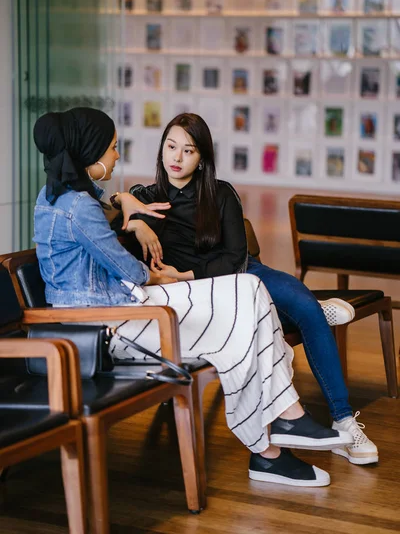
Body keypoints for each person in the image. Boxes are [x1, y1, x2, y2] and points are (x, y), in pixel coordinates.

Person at [33, 107, 354, 490]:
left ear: (202, 158)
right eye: (114, 148)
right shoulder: (78, 206)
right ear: (91, 151)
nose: (117, 156)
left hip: (124, 307)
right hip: (106, 324)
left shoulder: (63, 194)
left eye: (188, 150)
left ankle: (284, 424)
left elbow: (102, 212)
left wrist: (125, 206)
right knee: (245, 319)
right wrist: (141, 233)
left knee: (250, 289)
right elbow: (132, 271)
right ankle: (271, 446)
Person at [119, 112, 378, 467]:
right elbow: (104, 205)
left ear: (202, 157)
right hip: (205, 295)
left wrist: (186, 275)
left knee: (306, 308)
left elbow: (234, 258)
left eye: (188, 150)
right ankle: (304, 314)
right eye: (171, 147)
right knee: (294, 313)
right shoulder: (146, 198)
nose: (176, 158)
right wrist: (127, 205)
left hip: (242, 273)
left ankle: (344, 420)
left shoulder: (222, 193)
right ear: (162, 149)